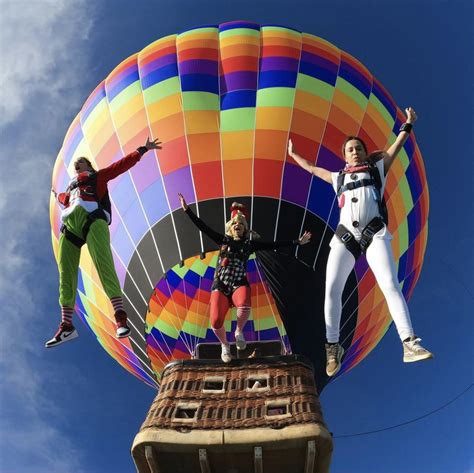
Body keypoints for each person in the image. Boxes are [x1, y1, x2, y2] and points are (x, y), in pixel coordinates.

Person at [288, 107, 433, 376]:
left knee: (389, 283)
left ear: (365, 153)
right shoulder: (337, 177)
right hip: (345, 237)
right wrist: (293, 153)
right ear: (344, 157)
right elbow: (310, 168)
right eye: (350, 149)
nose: (354, 151)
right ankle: (333, 347)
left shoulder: (377, 168)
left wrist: (408, 125)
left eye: (358, 148)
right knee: (331, 289)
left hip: (374, 232)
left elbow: (395, 149)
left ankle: (409, 342)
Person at [46, 137, 162, 348]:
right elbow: (60, 197)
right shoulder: (68, 192)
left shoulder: (98, 177)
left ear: (88, 166)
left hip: (93, 220)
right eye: (75, 164)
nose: (76, 165)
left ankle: (120, 315)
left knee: (104, 263)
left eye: (79, 163)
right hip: (70, 228)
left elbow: (121, 166)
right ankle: (66, 324)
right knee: (65, 273)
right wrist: (54, 193)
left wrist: (142, 149)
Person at [178, 193, 311, 362]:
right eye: (235, 224)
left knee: (244, 304)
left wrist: (296, 242)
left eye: (241, 224)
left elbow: (273, 244)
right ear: (230, 227)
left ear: (245, 228)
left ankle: (239, 331)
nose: (238, 226)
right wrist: (187, 210)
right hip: (221, 283)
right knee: (216, 321)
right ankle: (225, 345)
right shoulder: (223, 240)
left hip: (238, 281)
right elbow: (204, 228)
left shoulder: (249, 244)